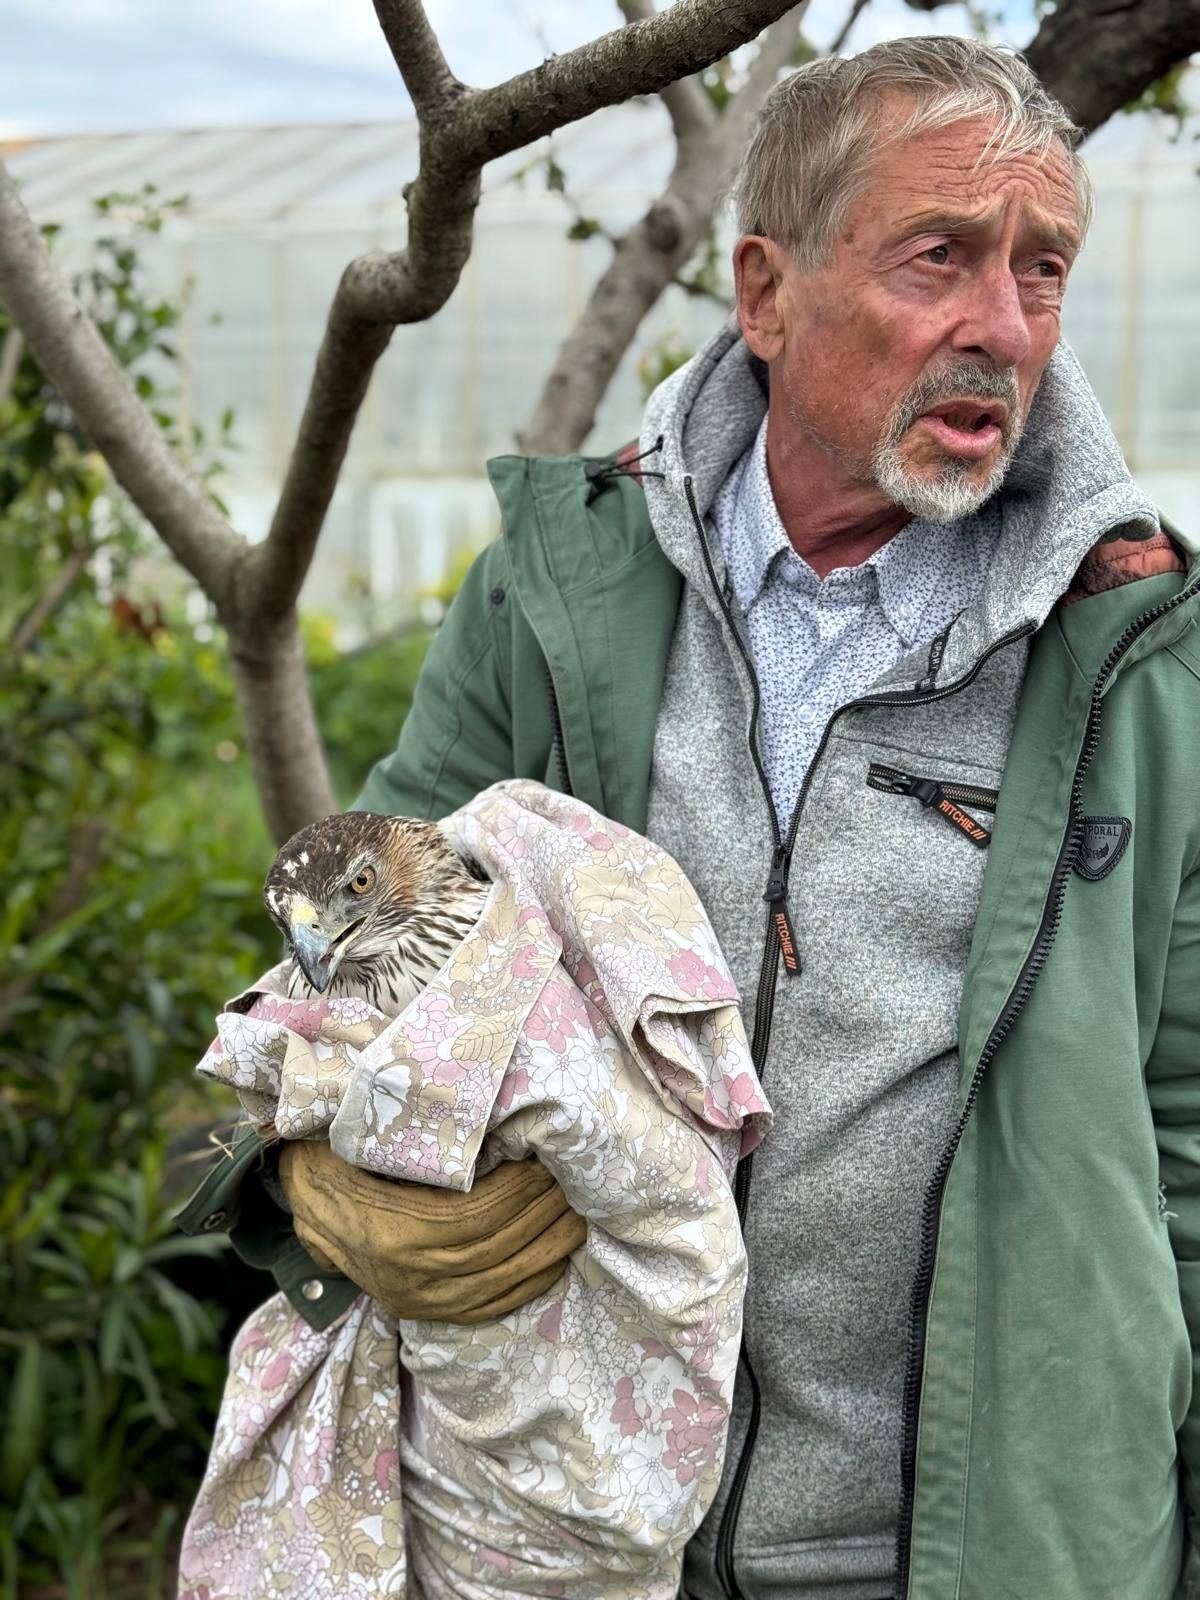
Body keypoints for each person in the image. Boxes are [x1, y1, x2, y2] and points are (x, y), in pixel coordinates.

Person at [178, 35, 1200, 1600]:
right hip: (571, 1534)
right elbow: (346, 954)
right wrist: (301, 1181)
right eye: (940, 256)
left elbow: (1187, 1139)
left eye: (1042, 269)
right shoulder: (557, 593)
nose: (1003, 326)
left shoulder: (1140, 657)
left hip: (973, 1555)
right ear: (767, 293)